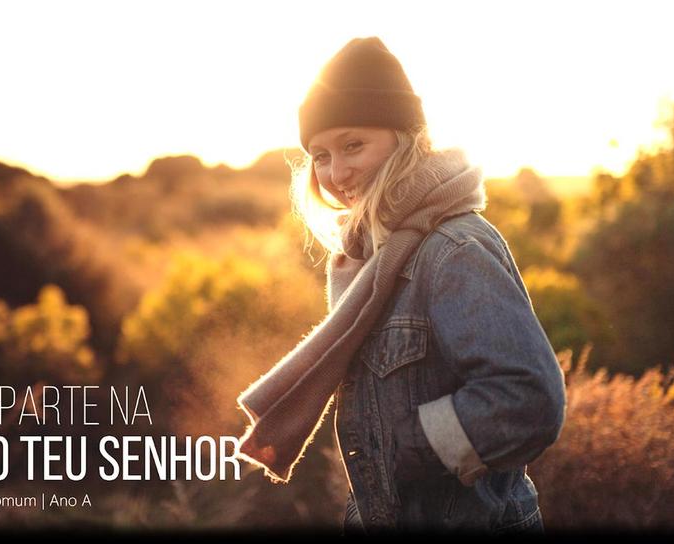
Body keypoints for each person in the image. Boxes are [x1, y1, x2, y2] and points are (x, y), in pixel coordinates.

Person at [235, 36, 566, 534]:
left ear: (405, 138)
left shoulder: (453, 250)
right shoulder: (362, 260)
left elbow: (529, 397)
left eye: (353, 145)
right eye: (320, 155)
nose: (336, 173)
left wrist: (410, 445)